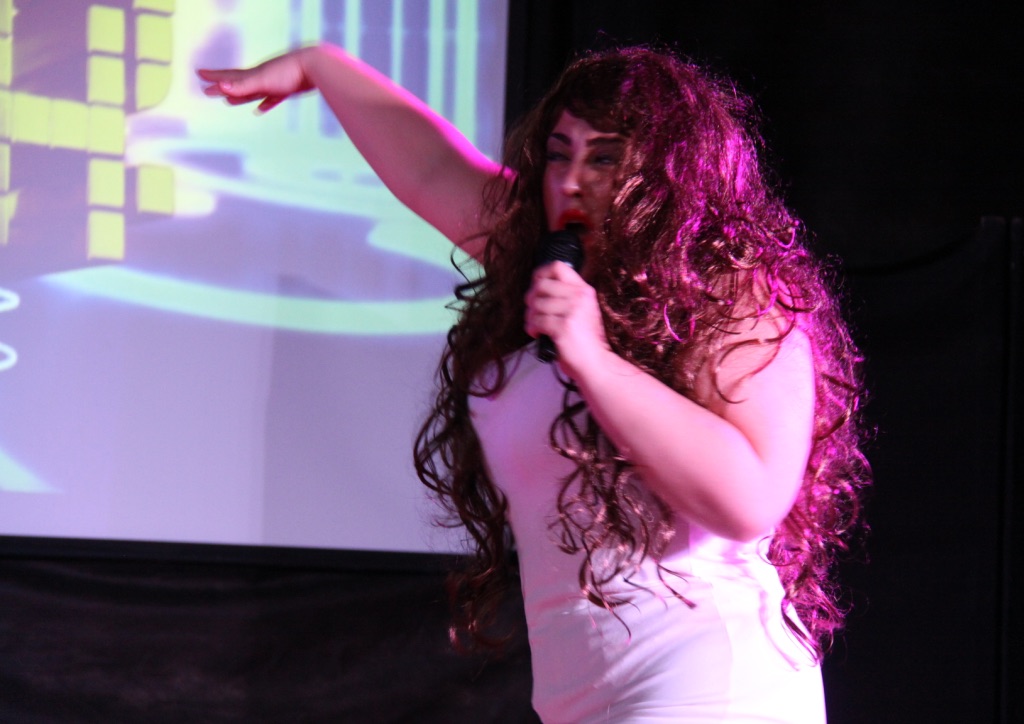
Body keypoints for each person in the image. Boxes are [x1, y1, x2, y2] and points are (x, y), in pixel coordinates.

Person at [200, 42, 868, 723]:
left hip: (709, 682)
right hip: (581, 698)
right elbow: (430, 169)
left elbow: (751, 498)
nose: (571, 180)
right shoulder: (539, 256)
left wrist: (594, 359)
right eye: (558, 153)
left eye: (604, 159)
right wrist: (319, 65)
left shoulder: (732, 293)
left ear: (668, 177)